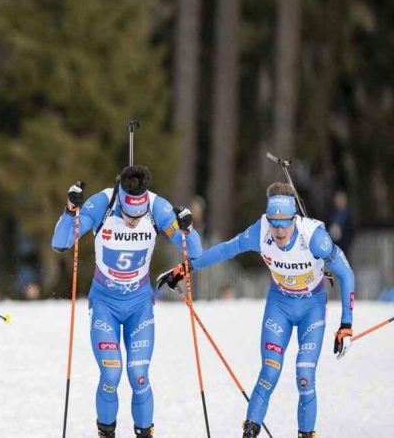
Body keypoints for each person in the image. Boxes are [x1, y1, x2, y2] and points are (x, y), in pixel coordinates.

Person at [156, 182, 356, 438]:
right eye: (274, 222)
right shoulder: (260, 232)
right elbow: (227, 249)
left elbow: (346, 273)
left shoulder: (315, 238)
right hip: (279, 306)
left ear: (294, 218)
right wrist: (185, 268)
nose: (279, 229)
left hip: (312, 307)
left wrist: (346, 324)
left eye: (285, 222)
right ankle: (249, 432)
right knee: (269, 373)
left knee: (305, 376)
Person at [51, 165, 202, 438]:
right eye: (128, 215)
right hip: (105, 303)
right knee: (111, 375)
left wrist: (188, 229)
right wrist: (70, 211)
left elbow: (196, 253)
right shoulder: (103, 203)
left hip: (139, 306)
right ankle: (106, 433)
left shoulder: (157, 207)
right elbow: (61, 242)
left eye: (138, 216)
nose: (133, 221)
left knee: (139, 376)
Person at [327, 190, 355, 256]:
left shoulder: (348, 215)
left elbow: (351, 231)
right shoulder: (331, 213)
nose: (339, 201)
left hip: (344, 245)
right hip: (332, 245)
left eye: (341, 199)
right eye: (337, 199)